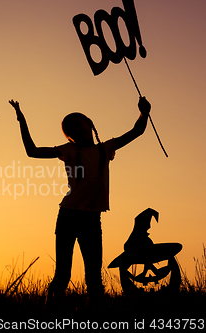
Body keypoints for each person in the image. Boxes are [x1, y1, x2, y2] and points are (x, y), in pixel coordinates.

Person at [9, 97, 151, 301]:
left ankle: (95, 313)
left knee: (94, 276)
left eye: (78, 124)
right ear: (69, 138)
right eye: (70, 130)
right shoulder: (69, 151)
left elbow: (136, 132)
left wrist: (144, 114)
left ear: (90, 123)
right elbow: (32, 152)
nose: (76, 130)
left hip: (92, 219)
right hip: (68, 216)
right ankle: (51, 312)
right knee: (63, 275)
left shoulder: (105, 148)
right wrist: (22, 121)